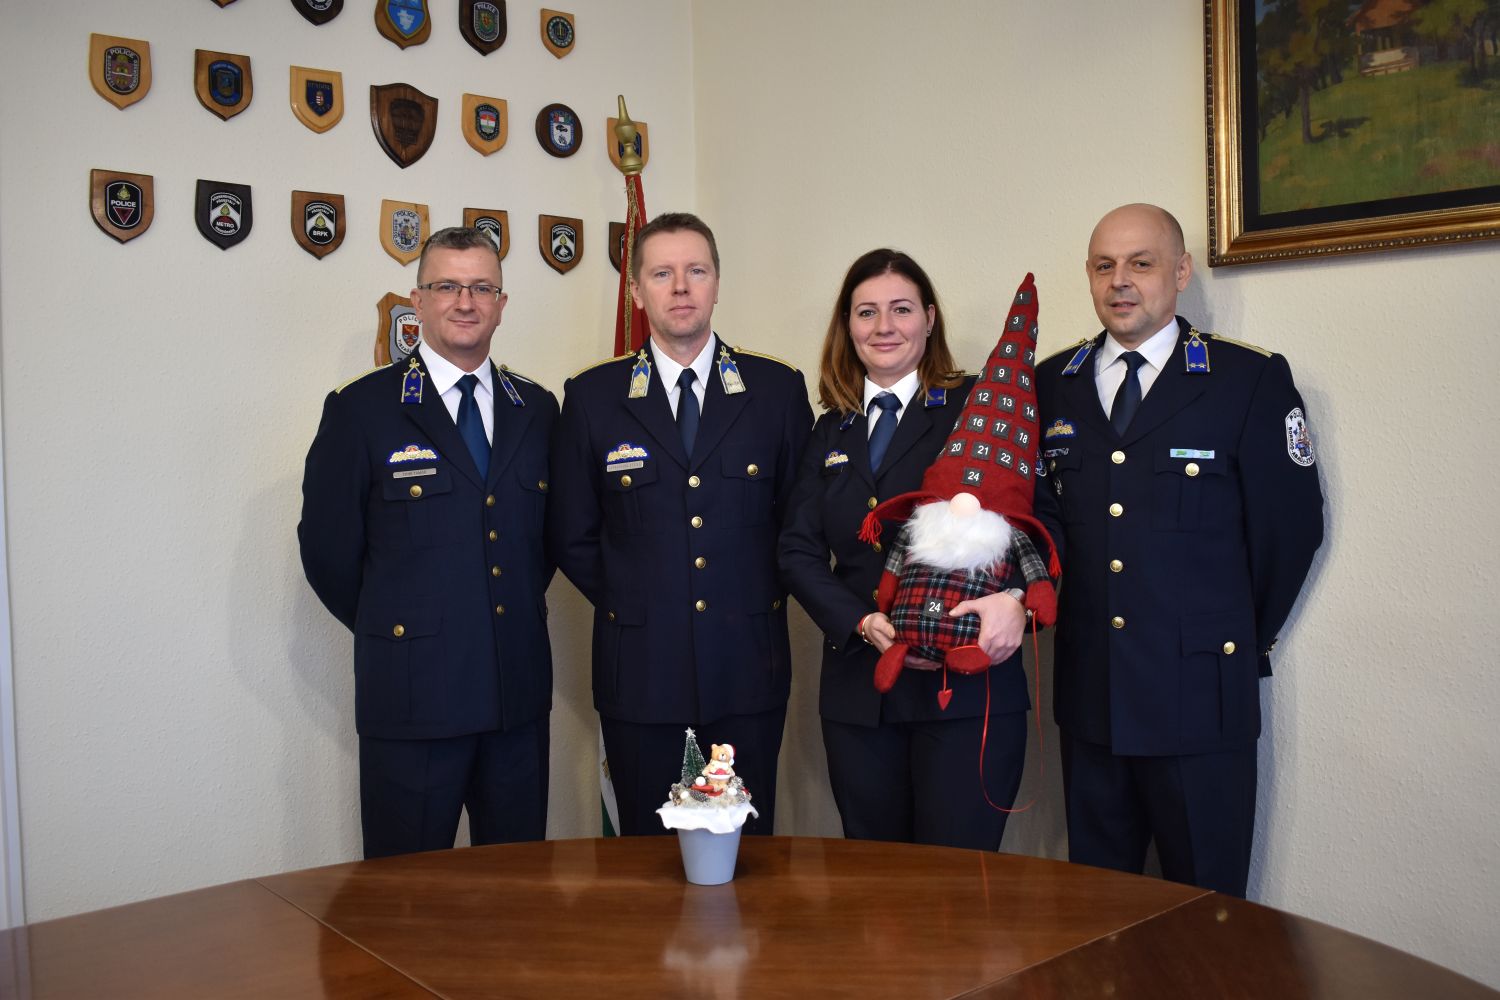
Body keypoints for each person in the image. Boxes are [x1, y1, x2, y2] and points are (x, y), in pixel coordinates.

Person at [1034, 204, 1324, 897]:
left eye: (1142, 263)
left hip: (1201, 698)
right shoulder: (1051, 383)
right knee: (1097, 913)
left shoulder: (1245, 380)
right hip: (1093, 699)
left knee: (1208, 913)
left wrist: (1226, 637)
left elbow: (1290, 530)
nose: (1120, 281)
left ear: (1182, 271)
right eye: (1104, 266)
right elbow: (1040, 524)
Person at [549, 212, 812, 836]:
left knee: (747, 852)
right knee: (646, 858)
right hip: (642, 668)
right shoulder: (593, 396)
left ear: (717, 282)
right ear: (636, 291)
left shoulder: (776, 390)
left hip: (746, 666)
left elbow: (800, 524)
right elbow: (571, 533)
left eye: (696, 270)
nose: (681, 287)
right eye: (662, 274)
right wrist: (640, 600)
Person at [299, 227, 557, 858]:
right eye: (447, 286)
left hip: (515, 700)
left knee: (518, 889)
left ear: (501, 304)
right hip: (412, 700)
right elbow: (328, 554)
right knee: (404, 897)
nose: (465, 302)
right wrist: (404, 630)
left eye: (482, 288)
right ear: (417, 301)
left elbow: (545, 545)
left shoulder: (537, 409)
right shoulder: (362, 410)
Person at [778, 248, 1035, 850]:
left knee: (959, 879)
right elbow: (796, 551)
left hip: (966, 691)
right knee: (877, 884)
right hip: (860, 693)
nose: (884, 326)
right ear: (848, 326)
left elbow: (1039, 525)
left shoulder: (977, 406)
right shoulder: (831, 428)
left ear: (930, 318)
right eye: (866, 312)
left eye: (901, 309)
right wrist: (860, 620)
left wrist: (1017, 601)